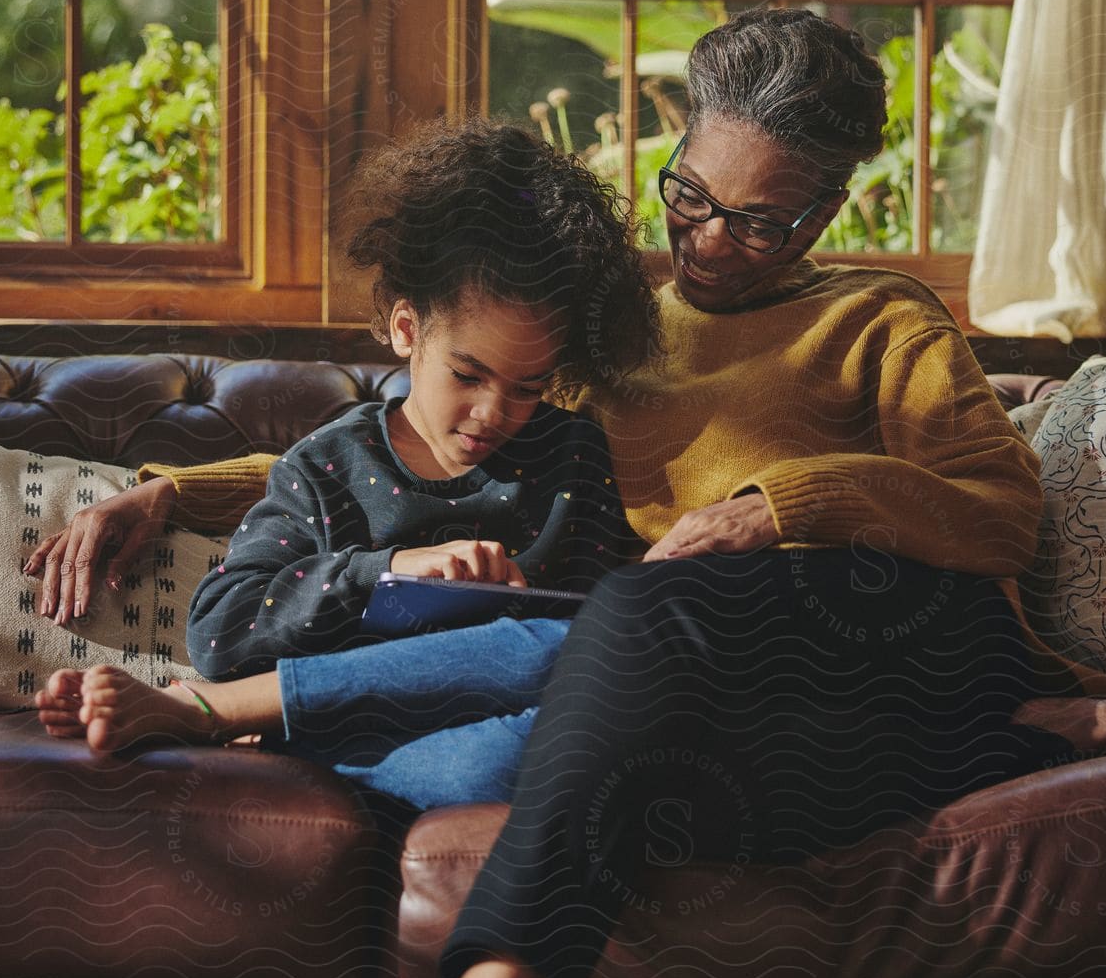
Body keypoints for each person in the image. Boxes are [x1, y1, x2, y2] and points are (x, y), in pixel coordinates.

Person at [27, 9, 1106, 978]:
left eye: (760, 220)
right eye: (691, 198)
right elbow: (426, 441)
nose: (711, 241)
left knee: (620, 617)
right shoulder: (614, 334)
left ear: (821, 214)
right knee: (649, 739)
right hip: (715, 673)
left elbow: (999, 514)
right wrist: (164, 491)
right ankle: (1010, 748)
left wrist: (788, 506)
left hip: (897, 626)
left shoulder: (880, 320)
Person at [33, 120, 657, 807]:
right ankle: (205, 709)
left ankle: (227, 717)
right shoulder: (328, 466)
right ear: (406, 328)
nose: (493, 412)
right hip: (349, 733)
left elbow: (597, 634)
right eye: (469, 374)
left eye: (528, 387)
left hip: (475, 745)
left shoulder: (571, 454)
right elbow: (220, 629)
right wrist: (388, 572)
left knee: (568, 676)